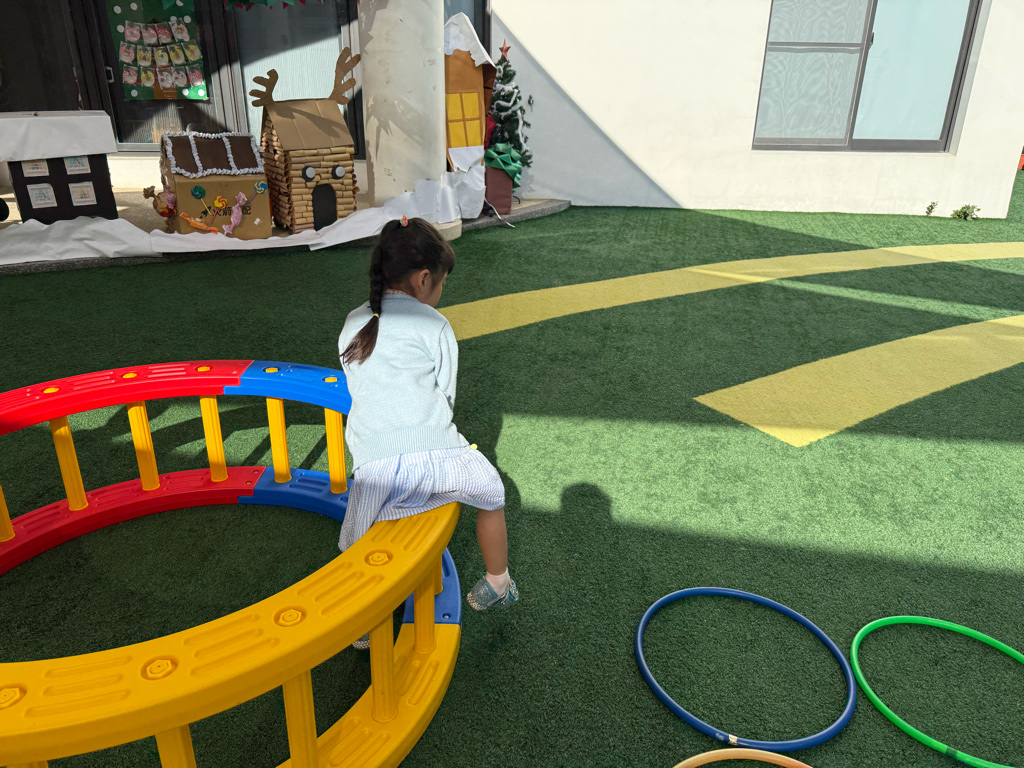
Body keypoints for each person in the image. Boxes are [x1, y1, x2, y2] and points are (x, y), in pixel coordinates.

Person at [337, 216, 518, 642]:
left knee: (359, 543)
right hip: (437, 457)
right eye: (441, 284)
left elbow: (355, 381)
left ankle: (363, 629)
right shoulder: (434, 324)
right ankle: (498, 581)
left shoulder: (353, 322)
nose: (440, 292)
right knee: (492, 493)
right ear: (423, 280)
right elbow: (445, 394)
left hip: (376, 466)